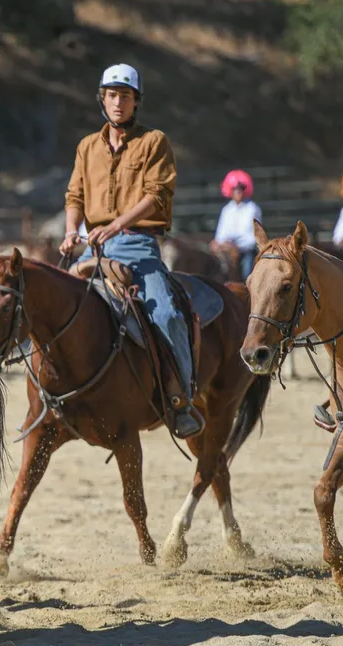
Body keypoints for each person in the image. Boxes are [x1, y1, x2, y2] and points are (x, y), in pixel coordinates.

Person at [59, 63, 202, 438]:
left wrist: (117, 224)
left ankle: (181, 398)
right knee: (52, 304)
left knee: (168, 314)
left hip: (138, 245)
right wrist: (71, 230)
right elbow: (74, 195)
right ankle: (51, 394)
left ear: (136, 101)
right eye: (111, 95)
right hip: (93, 248)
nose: (118, 102)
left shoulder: (155, 141)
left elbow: (157, 195)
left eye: (125, 95)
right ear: (102, 100)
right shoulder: (87, 146)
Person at [210, 169, 262, 279]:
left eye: (241, 188)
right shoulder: (227, 210)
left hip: (245, 251)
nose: (238, 191)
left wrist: (236, 245)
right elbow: (221, 233)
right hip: (226, 250)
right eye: (234, 188)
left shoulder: (252, 208)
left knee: (247, 272)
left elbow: (252, 237)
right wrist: (219, 243)